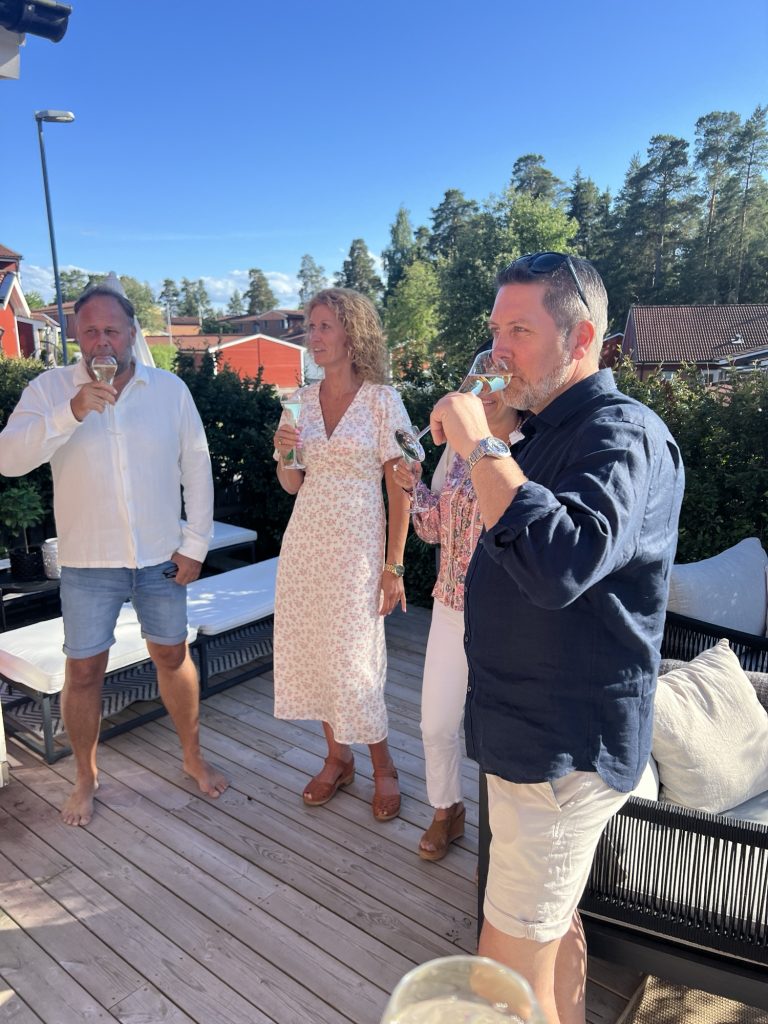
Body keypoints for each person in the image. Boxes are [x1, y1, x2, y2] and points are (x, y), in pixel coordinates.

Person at [428, 253, 684, 1024]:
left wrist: (482, 445)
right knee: (550, 926)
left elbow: (555, 563)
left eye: (520, 330)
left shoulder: (623, 435)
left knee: (501, 982)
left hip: (561, 754)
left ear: (581, 341)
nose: (497, 349)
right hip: (529, 739)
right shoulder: (543, 432)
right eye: (494, 330)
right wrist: (499, 436)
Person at [0, 286, 227, 827]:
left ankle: (192, 755)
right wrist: (70, 412)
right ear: (76, 336)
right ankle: (86, 776)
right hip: (88, 561)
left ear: (131, 333)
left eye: (112, 330)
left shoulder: (169, 390)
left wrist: (195, 545)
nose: (102, 341)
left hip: (161, 557)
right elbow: (8, 459)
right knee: (83, 671)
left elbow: (196, 467)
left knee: (172, 656)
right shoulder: (50, 389)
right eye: (90, 331)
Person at [272, 287, 411, 820]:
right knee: (317, 652)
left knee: (355, 659)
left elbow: (401, 488)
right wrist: (285, 449)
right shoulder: (300, 400)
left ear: (353, 334)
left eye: (324, 326)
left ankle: (383, 766)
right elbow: (291, 484)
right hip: (306, 544)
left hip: (357, 549)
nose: (314, 336)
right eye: (311, 326)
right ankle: (337, 758)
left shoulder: (381, 400)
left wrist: (394, 565)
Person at [393, 347, 524, 861]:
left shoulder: (531, 450)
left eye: (497, 378)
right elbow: (434, 530)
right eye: (477, 377)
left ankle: (503, 835)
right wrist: (414, 485)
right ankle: (447, 810)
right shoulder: (455, 450)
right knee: (435, 723)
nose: (483, 388)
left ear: (517, 388)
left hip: (507, 616)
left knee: (501, 733)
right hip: (451, 605)